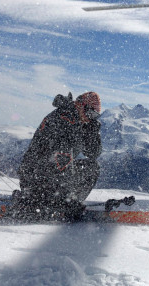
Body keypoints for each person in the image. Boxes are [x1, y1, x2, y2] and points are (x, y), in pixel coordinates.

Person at [14, 91, 102, 220]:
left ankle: (65, 200)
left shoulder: (81, 122)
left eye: (94, 115)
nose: (90, 117)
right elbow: (59, 156)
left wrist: (93, 134)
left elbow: (93, 154)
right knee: (61, 158)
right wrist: (66, 198)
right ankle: (58, 200)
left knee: (93, 167)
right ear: (79, 105)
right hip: (35, 174)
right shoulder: (63, 117)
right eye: (89, 113)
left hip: (50, 174)